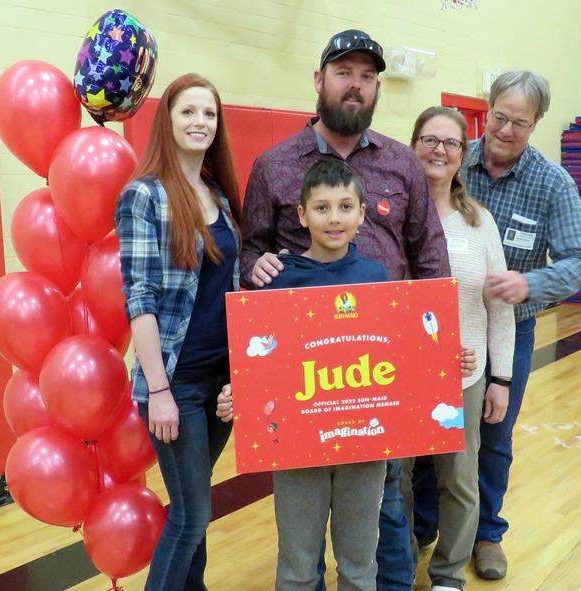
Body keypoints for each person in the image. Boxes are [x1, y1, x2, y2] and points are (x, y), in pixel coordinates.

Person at [240, 28, 460, 591]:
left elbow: (429, 256)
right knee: (303, 530)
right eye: (344, 73)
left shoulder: (402, 164)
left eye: (367, 76)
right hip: (307, 383)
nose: (356, 85)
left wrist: (439, 347)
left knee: (386, 507)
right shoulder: (274, 165)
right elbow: (251, 251)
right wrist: (254, 267)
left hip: (379, 376)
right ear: (320, 81)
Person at [410, 71, 581, 581]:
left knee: (491, 435)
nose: (506, 130)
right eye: (500, 117)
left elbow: (580, 261)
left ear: (536, 125)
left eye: (520, 122)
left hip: (508, 326)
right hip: (433, 331)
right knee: (427, 440)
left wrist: (530, 283)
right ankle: (426, 526)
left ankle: (486, 534)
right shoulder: (452, 155)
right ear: (486, 112)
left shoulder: (553, 183)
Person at [115, 73, 241, 591]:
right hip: (177, 385)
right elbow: (138, 299)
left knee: (196, 504)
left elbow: (227, 288)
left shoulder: (217, 193)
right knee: (190, 517)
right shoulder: (144, 196)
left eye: (209, 114)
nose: (200, 122)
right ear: (167, 121)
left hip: (220, 383)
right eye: (188, 112)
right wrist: (160, 391)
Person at [400, 107, 515, 591]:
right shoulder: (387, 217)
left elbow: (498, 306)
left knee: (460, 482)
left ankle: (447, 574)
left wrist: (501, 379)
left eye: (450, 143)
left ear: (462, 154)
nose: (439, 150)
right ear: (413, 146)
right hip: (397, 375)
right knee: (396, 482)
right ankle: (398, 564)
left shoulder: (479, 223)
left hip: (463, 375)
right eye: (429, 139)